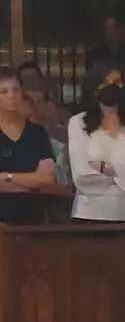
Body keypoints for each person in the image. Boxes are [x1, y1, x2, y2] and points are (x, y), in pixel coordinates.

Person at [67, 81, 125, 222]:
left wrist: (102, 168)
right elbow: (81, 173)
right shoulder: (78, 122)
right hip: (90, 212)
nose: (109, 113)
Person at [0, 67, 58, 224]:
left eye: (15, 90)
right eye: (4, 92)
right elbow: (37, 179)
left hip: (33, 220)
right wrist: (30, 181)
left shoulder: (37, 133)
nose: (11, 95)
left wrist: (7, 177)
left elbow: (46, 178)